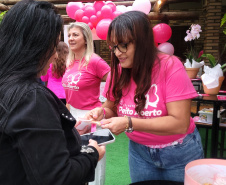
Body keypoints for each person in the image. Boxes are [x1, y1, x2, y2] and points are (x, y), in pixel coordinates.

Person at [86, 11, 204, 183]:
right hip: (139, 152)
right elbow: (110, 108)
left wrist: (129, 123)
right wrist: (101, 113)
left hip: (179, 150)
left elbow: (180, 123)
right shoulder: (117, 73)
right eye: (113, 46)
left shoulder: (170, 66)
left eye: (123, 45)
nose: (117, 53)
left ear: (142, 42)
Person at [0, 1, 105, 185]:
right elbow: (57, 177)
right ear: (36, 45)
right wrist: (92, 153)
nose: (56, 55)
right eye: (53, 46)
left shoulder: (9, 83)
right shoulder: (30, 97)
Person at [62, 22, 110, 185]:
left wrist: (104, 107)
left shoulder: (95, 61)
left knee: (96, 163)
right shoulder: (69, 62)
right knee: (76, 159)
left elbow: (115, 82)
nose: (70, 38)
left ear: (86, 38)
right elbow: (70, 93)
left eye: (75, 35)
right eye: (69, 35)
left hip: (94, 118)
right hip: (74, 116)